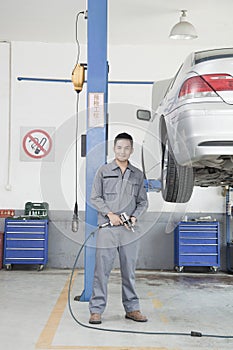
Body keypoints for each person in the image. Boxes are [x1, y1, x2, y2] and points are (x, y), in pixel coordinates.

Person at [89, 132, 148, 324]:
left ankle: (132, 309)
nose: (123, 151)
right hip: (107, 229)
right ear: (114, 149)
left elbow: (143, 202)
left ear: (132, 150)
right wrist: (110, 214)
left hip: (129, 231)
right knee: (101, 271)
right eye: (119, 147)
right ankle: (96, 310)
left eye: (127, 148)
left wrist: (134, 217)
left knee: (129, 271)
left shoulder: (138, 175)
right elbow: (95, 198)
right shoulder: (103, 171)